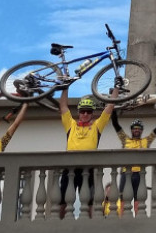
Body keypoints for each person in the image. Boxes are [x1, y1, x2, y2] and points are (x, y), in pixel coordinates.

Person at [58, 86, 117, 217]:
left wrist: (116, 90)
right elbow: (63, 106)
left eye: (88, 111)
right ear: (79, 112)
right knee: (62, 200)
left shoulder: (96, 126)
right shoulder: (71, 125)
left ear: (92, 113)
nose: (85, 114)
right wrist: (65, 87)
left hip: (87, 169)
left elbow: (109, 108)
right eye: (83, 111)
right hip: (70, 168)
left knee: (90, 202)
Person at [111, 112, 156, 214]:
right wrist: (113, 109)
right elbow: (116, 124)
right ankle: (122, 220)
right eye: (135, 128)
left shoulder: (146, 141)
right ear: (131, 130)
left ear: (142, 130)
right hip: (126, 174)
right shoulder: (125, 139)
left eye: (139, 128)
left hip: (138, 174)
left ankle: (138, 220)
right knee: (123, 199)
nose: (137, 130)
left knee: (138, 199)